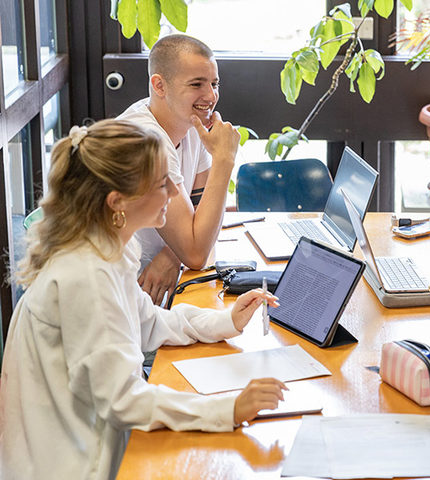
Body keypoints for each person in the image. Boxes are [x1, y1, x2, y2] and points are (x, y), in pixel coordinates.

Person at [0, 120, 286, 479]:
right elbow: (123, 400)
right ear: (117, 202)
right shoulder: (87, 275)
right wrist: (225, 409)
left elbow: (148, 321)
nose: (172, 192)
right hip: (71, 465)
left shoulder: (106, 247)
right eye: (161, 183)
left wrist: (227, 320)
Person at [118, 34, 238, 305]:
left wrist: (173, 254)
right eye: (197, 84)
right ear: (159, 85)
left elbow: (200, 218)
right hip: (117, 300)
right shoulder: (145, 141)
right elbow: (196, 252)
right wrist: (223, 160)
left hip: (153, 296)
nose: (211, 96)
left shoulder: (192, 123)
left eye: (214, 83)